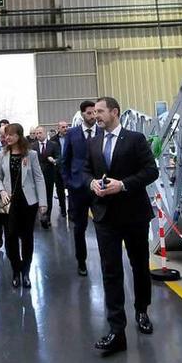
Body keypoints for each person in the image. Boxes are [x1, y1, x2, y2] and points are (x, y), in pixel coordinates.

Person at [82, 96, 159, 356]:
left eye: (100, 111)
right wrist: (91, 183)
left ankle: (142, 310)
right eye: (94, 112)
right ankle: (117, 330)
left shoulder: (135, 139)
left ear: (114, 112)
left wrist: (123, 185)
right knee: (110, 271)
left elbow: (151, 171)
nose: (96, 115)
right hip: (105, 217)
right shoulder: (93, 142)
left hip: (134, 214)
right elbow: (84, 171)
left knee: (139, 266)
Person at [0, 123, 47, 289]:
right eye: (6, 134)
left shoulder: (30, 155)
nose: (7, 137)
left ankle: (26, 271)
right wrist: (1, 191)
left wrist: (43, 202)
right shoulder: (2, 154)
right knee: (10, 237)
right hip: (8, 203)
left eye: (11, 134)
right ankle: (15, 269)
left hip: (27, 202)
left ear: (19, 136)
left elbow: (39, 178)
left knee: (27, 237)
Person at [62, 101, 102, 276]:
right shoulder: (72, 133)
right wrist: (68, 182)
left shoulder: (102, 131)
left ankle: (105, 260)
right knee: (80, 227)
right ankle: (81, 261)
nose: (93, 116)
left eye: (95, 113)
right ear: (82, 114)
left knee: (103, 226)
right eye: (89, 113)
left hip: (98, 186)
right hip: (77, 188)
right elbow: (65, 160)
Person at [33, 126, 60, 229]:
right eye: (36, 133)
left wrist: (54, 160)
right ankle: (39, 216)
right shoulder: (33, 146)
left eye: (40, 133)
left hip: (49, 175)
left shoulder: (53, 145)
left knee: (48, 197)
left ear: (45, 133)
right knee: (37, 197)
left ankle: (47, 218)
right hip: (36, 177)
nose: (38, 135)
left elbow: (59, 157)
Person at [50, 120, 69, 218]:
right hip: (58, 168)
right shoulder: (53, 140)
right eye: (63, 127)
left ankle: (71, 210)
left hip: (69, 168)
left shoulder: (71, 137)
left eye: (66, 127)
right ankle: (62, 208)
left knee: (71, 189)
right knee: (60, 189)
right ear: (58, 128)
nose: (65, 129)